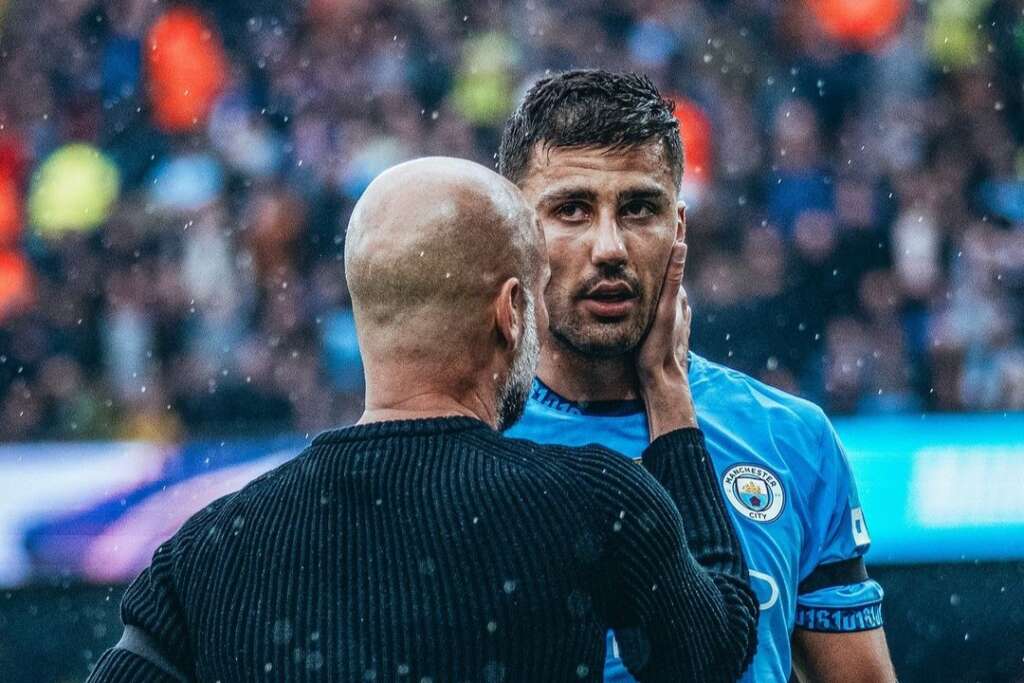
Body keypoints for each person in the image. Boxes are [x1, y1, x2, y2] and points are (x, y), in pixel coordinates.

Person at [87, 157, 757, 682]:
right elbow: (714, 653)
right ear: (512, 310)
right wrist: (669, 393)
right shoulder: (595, 502)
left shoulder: (210, 547)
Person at [500, 70, 897, 683]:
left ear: (678, 230)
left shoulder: (792, 440)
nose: (610, 246)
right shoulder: (469, 444)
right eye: (572, 209)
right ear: (517, 236)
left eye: (639, 209)